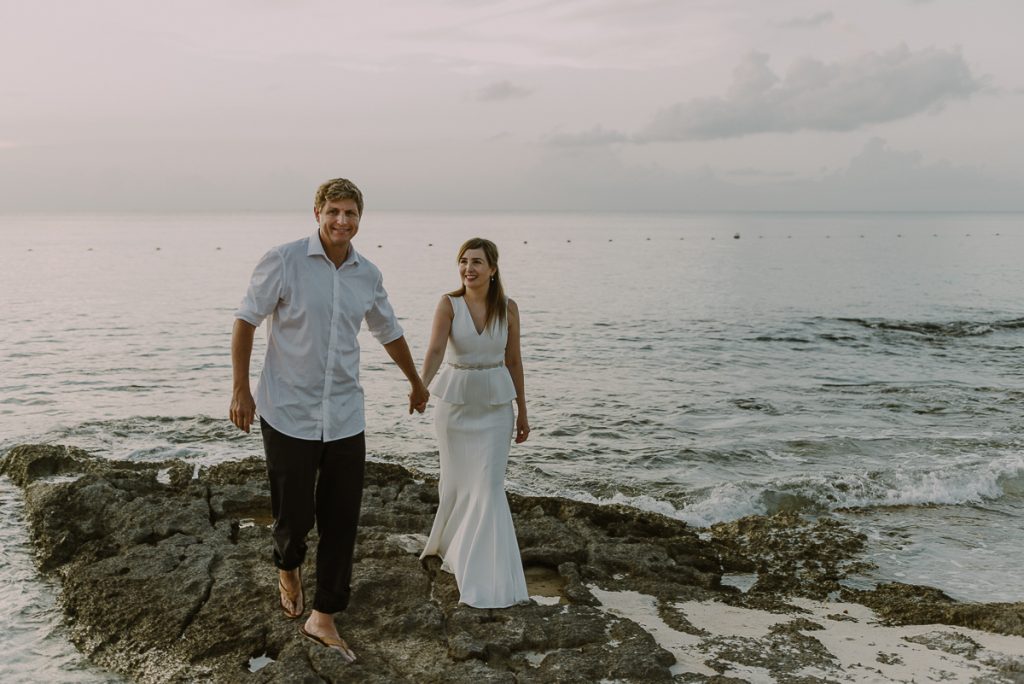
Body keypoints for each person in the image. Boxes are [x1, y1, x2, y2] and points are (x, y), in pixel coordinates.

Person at [229, 178, 429, 663]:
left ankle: (325, 616)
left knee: (342, 521)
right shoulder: (284, 260)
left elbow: (389, 330)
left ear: (361, 218)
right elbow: (246, 321)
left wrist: (416, 381)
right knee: (294, 517)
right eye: (334, 211)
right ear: (316, 212)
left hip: (344, 414)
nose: (342, 221)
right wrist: (240, 389)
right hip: (287, 412)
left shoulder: (368, 274)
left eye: (351, 213)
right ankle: (289, 564)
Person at [418, 237, 531, 608]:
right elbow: (435, 350)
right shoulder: (448, 304)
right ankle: (453, 548)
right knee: (454, 484)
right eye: (464, 261)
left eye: (477, 262)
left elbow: (514, 361)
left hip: (496, 408)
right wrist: (420, 387)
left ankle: (486, 572)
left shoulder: (508, 309)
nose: (469, 268)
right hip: (455, 406)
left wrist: (524, 413)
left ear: (493, 269)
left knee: (489, 485)